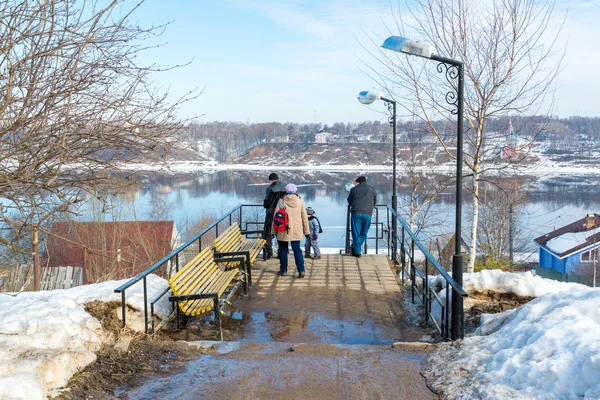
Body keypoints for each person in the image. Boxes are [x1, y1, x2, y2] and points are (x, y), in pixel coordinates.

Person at [273, 183, 309, 277]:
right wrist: (306, 231)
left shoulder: (281, 202)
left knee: (283, 250)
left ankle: (283, 270)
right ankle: (301, 270)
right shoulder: (300, 201)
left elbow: (275, 217)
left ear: (286, 191)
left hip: (283, 229)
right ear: (295, 191)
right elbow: (304, 217)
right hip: (296, 229)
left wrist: (273, 231)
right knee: (297, 250)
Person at [347, 176, 376, 258]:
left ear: (358, 182)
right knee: (364, 233)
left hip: (356, 213)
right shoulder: (372, 189)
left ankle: (357, 251)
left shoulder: (354, 189)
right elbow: (375, 201)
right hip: (368, 213)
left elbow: (349, 201)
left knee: (356, 232)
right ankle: (355, 247)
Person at [262, 172, 286, 259]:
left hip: (271, 213)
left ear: (271, 180)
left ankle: (269, 253)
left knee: (267, 233)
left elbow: (267, 202)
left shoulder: (270, 189)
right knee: (280, 233)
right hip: (281, 214)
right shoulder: (284, 188)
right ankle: (281, 253)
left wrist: (265, 205)